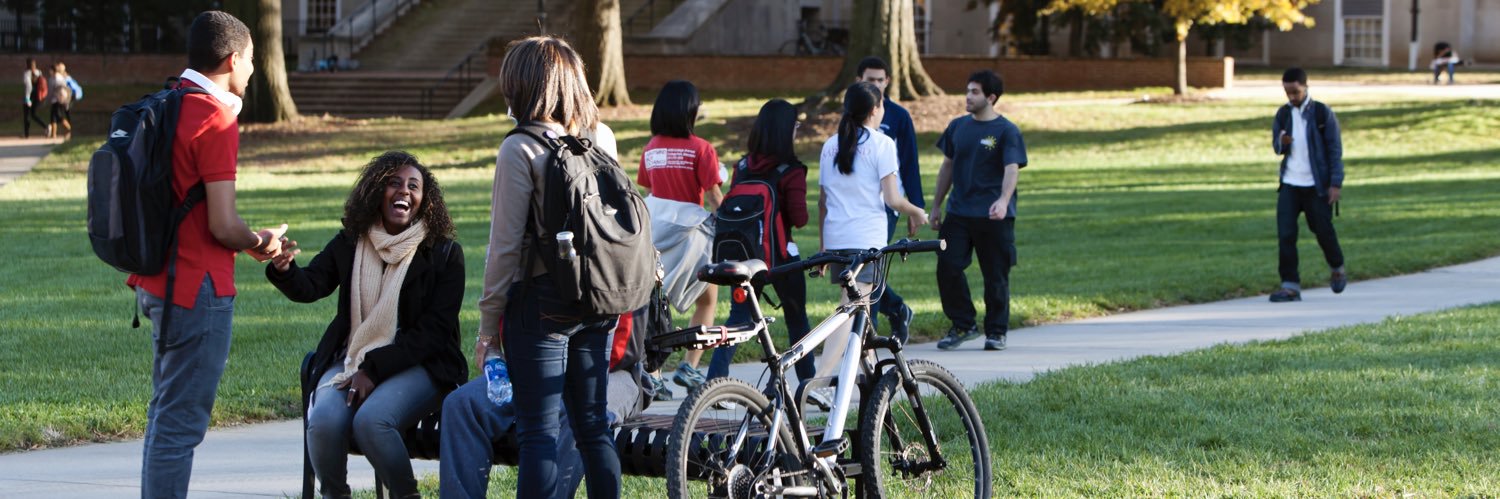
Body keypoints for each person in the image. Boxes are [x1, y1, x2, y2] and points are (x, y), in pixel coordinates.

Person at [126, 11, 288, 499]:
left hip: (156, 281)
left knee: (164, 418)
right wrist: (262, 242)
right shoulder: (216, 120)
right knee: (180, 428)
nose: (255, 71)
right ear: (232, 58)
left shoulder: (170, 101)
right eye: (253, 61)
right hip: (198, 290)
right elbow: (222, 224)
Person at [266, 151, 465, 499]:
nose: (404, 191)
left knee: (372, 422)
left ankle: (406, 495)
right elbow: (312, 285)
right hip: (353, 358)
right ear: (377, 190)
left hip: (422, 364)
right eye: (394, 183)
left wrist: (374, 369)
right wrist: (285, 270)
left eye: (413, 186)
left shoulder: (444, 254)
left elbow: (434, 332)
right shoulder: (352, 241)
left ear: (423, 200)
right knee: (325, 422)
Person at [477, 35, 622, 499]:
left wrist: (486, 330)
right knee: (593, 430)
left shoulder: (520, 149)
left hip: (541, 304)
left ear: (521, 86)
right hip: (597, 298)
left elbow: (504, 250)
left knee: (537, 434)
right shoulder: (600, 136)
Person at [438, 307, 654, 499]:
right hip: (537, 365)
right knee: (462, 405)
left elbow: (621, 348)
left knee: (577, 413)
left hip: (612, 371)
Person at [815, 82, 927, 374]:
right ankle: (820, 382)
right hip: (866, 241)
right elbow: (892, 199)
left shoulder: (829, 146)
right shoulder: (882, 144)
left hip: (837, 239)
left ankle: (875, 385)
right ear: (875, 109)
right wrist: (916, 211)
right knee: (849, 312)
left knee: (860, 316)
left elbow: (823, 202)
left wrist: (823, 248)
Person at [706, 99, 815, 390]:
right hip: (780, 257)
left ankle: (714, 382)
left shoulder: (742, 165)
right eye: (796, 126)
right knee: (796, 320)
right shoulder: (790, 170)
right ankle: (808, 384)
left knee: (738, 320)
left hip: (744, 255)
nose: (797, 131)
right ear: (785, 130)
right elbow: (800, 219)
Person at [635, 79, 722, 398]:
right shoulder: (701, 149)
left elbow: (648, 190)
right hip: (690, 237)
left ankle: (653, 374)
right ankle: (689, 365)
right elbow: (713, 196)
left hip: (655, 233)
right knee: (707, 300)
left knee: (655, 305)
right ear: (690, 111)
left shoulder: (652, 148)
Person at [932, 70, 1027, 352]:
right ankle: (963, 324)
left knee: (995, 275)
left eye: (974, 92)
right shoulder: (957, 127)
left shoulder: (1006, 131)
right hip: (959, 212)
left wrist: (1003, 199)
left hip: (994, 215)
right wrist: (937, 205)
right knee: (947, 267)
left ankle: (996, 331)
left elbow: (1012, 169)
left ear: (991, 97)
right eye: (968, 91)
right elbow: (947, 167)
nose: (968, 97)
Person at [854, 56, 921, 344]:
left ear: (888, 82)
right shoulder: (852, 115)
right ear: (859, 80)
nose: (876, 85)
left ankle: (871, 330)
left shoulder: (898, 115)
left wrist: (914, 208)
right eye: (871, 79)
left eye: (881, 80)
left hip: (888, 204)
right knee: (858, 268)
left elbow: (909, 162)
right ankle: (898, 308)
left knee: (871, 266)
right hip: (857, 204)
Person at [1269, 67, 1347, 303]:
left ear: (1305, 87)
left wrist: (1335, 183)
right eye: (1287, 92)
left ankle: (1337, 267)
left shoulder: (1322, 114)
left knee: (1323, 230)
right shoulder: (1283, 114)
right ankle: (1290, 285)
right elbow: (1276, 146)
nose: (1291, 96)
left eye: (1295, 91)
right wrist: (1281, 143)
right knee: (1286, 234)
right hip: (1290, 183)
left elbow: (1334, 150)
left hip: (1316, 185)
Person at [20, 57, 47, 139]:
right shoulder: (39, 72)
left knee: (27, 115)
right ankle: (45, 126)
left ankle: (26, 134)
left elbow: (29, 87)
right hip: (37, 96)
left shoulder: (27, 73)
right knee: (33, 114)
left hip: (30, 96)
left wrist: (27, 98)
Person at [48, 61, 74, 139]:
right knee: (53, 117)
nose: (49, 72)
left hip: (56, 100)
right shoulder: (61, 77)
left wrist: (48, 99)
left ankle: (69, 128)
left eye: (50, 70)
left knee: (57, 117)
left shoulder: (53, 78)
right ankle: (54, 134)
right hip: (62, 99)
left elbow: (51, 90)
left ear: (52, 70)